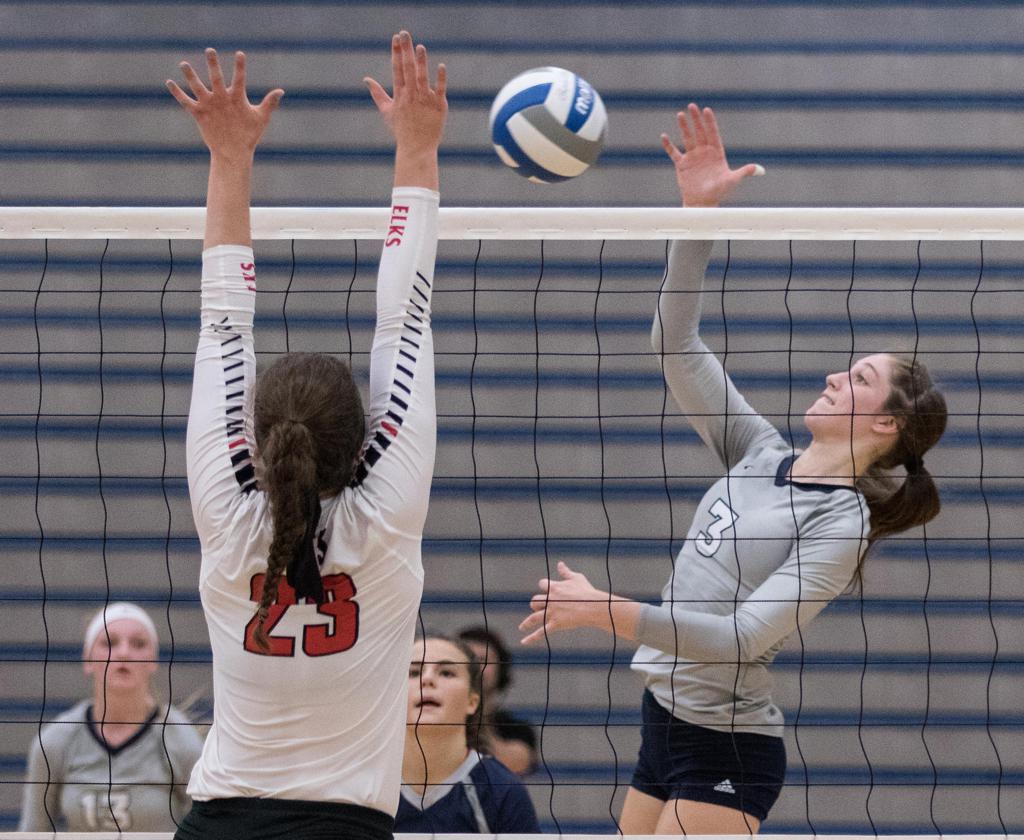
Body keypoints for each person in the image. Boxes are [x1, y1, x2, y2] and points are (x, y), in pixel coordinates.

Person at [520, 103, 948, 835]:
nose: (836, 376)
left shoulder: (838, 521)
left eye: (861, 377)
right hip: (665, 716)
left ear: (888, 425)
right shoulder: (760, 453)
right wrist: (697, 217)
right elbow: (675, 344)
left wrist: (606, 611)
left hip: (730, 743)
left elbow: (745, 637)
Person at [166, 32, 446, 840]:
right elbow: (407, 317)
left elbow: (223, 326)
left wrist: (229, 157)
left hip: (215, 824)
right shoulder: (386, 510)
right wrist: (417, 148)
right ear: (361, 442)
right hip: (340, 828)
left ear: (259, 438)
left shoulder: (229, 504)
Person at [18, 602, 203, 831]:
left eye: (138, 644)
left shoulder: (180, 740)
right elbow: (33, 832)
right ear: (88, 660)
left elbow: (205, 831)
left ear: (153, 661)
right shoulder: (55, 742)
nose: (124, 652)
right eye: (109, 643)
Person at [397, 635, 540, 833]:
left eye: (446, 673)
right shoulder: (364, 781)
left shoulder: (501, 790)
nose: (427, 679)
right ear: (393, 694)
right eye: (413, 672)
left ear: (473, 701)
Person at [457, 625, 538, 775]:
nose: (476, 668)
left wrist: (476, 714)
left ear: (501, 670)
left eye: (483, 660)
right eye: (468, 659)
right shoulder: (433, 721)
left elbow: (517, 764)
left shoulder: (516, 728)